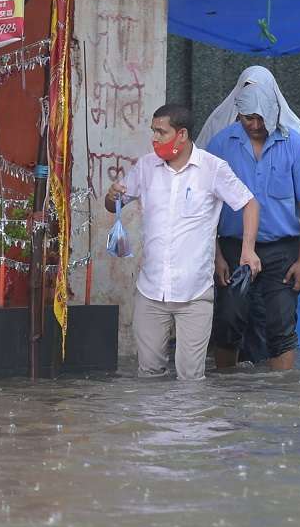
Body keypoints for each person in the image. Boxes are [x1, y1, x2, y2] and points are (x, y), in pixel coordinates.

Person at [105, 103, 262, 380]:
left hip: (195, 294)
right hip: (151, 291)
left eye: (161, 132)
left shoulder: (212, 168)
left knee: (191, 379)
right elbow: (112, 203)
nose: (154, 138)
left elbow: (249, 203)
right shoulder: (145, 167)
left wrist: (248, 249)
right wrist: (112, 196)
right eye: (153, 131)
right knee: (149, 375)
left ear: (182, 135)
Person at [197, 66, 300, 364]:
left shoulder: (294, 144)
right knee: (228, 322)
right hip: (232, 246)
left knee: (281, 325)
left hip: (281, 249)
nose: (254, 125)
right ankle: (226, 394)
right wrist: (215, 257)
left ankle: (278, 399)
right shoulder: (220, 144)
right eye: (247, 118)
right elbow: (206, 205)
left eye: (261, 118)